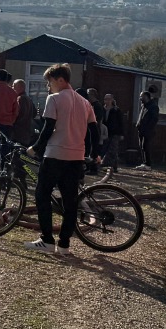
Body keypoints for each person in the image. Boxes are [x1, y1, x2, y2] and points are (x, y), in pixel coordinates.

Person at [26, 63, 95, 255]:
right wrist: (92, 152)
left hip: (55, 154)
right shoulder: (85, 102)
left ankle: (47, 239)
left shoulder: (54, 99)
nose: (49, 87)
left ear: (60, 80)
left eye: (50, 82)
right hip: (76, 157)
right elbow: (93, 131)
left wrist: (36, 148)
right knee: (70, 201)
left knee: (42, 195)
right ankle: (64, 244)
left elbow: (48, 127)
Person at [98, 92, 125, 172]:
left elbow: (121, 122)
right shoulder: (102, 109)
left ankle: (112, 166)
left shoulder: (116, 110)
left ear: (112, 100)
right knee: (104, 148)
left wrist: (121, 133)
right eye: (105, 99)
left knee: (113, 149)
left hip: (114, 132)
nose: (107, 101)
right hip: (105, 132)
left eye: (109, 99)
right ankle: (105, 165)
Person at [136, 87, 160, 170]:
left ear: (146, 97)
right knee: (142, 146)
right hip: (141, 130)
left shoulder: (153, 107)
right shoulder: (144, 106)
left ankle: (148, 164)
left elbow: (154, 119)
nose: (140, 98)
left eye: (141, 97)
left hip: (148, 131)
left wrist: (147, 128)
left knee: (146, 146)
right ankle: (144, 163)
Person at [10, 79, 37, 147]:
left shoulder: (20, 99)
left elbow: (16, 114)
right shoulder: (28, 99)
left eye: (13, 86)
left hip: (19, 132)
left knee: (17, 154)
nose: (12, 88)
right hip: (27, 132)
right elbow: (34, 113)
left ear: (20, 87)